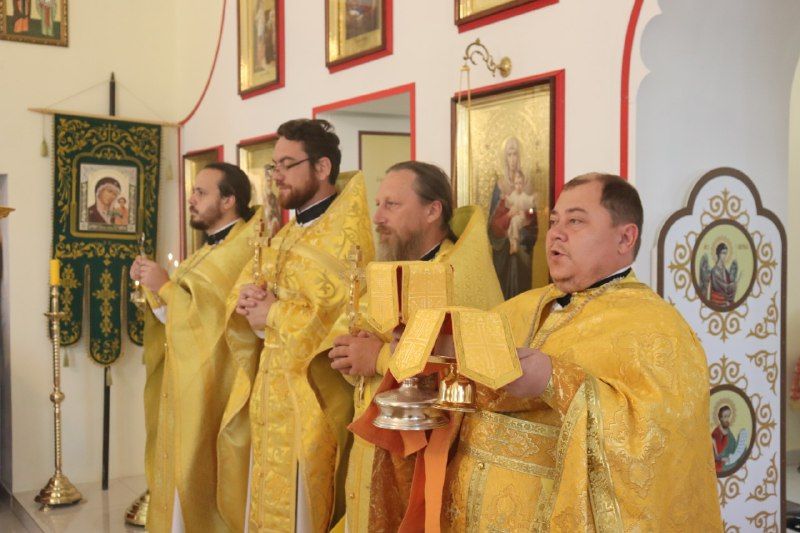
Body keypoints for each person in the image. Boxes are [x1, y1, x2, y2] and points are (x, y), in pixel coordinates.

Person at [441, 173, 722, 531]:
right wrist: (438, 351)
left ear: (625, 238)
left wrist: (554, 381)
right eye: (554, 221)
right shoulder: (519, 308)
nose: (556, 234)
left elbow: (657, 439)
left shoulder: (659, 330)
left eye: (575, 221)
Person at [315, 161, 503, 532]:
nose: (378, 217)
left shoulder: (458, 276)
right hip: (373, 444)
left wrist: (379, 356)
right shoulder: (391, 269)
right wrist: (352, 354)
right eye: (378, 204)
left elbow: (469, 370)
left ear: (433, 210)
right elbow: (352, 343)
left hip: (427, 455)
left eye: (392, 205)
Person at [228, 119, 374, 532]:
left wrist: (274, 314)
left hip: (312, 401)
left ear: (322, 167)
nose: (277, 176)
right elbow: (258, 292)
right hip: (270, 395)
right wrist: (248, 301)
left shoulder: (347, 238)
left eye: (287, 165)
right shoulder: (288, 232)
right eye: (273, 166)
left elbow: (346, 322)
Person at [130, 162, 259, 532]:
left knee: (197, 473)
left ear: (229, 200)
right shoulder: (206, 250)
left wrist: (165, 286)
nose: (192, 199)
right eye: (193, 192)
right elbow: (177, 317)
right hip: (187, 382)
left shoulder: (240, 249)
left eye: (201, 193)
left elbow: (213, 319)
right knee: (178, 470)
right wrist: (154, 288)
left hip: (216, 387)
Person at [488, 136, 538, 299]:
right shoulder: (500, 186)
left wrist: (527, 215)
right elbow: (493, 225)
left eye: (515, 154)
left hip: (522, 245)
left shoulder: (527, 186)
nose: (512, 159)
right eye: (509, 154)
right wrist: (508, 216)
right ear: (505, 158)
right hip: (503, 249)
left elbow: (533, 220)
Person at [712, 405, 737, 473]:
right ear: (720, 418)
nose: (727, 419)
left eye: (729, 416)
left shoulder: (728, 430)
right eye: (725, 416)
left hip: (729, 459)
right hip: (720, 464)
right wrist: (722, 459)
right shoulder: (716, 433)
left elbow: (733, 444)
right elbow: (713, 454)